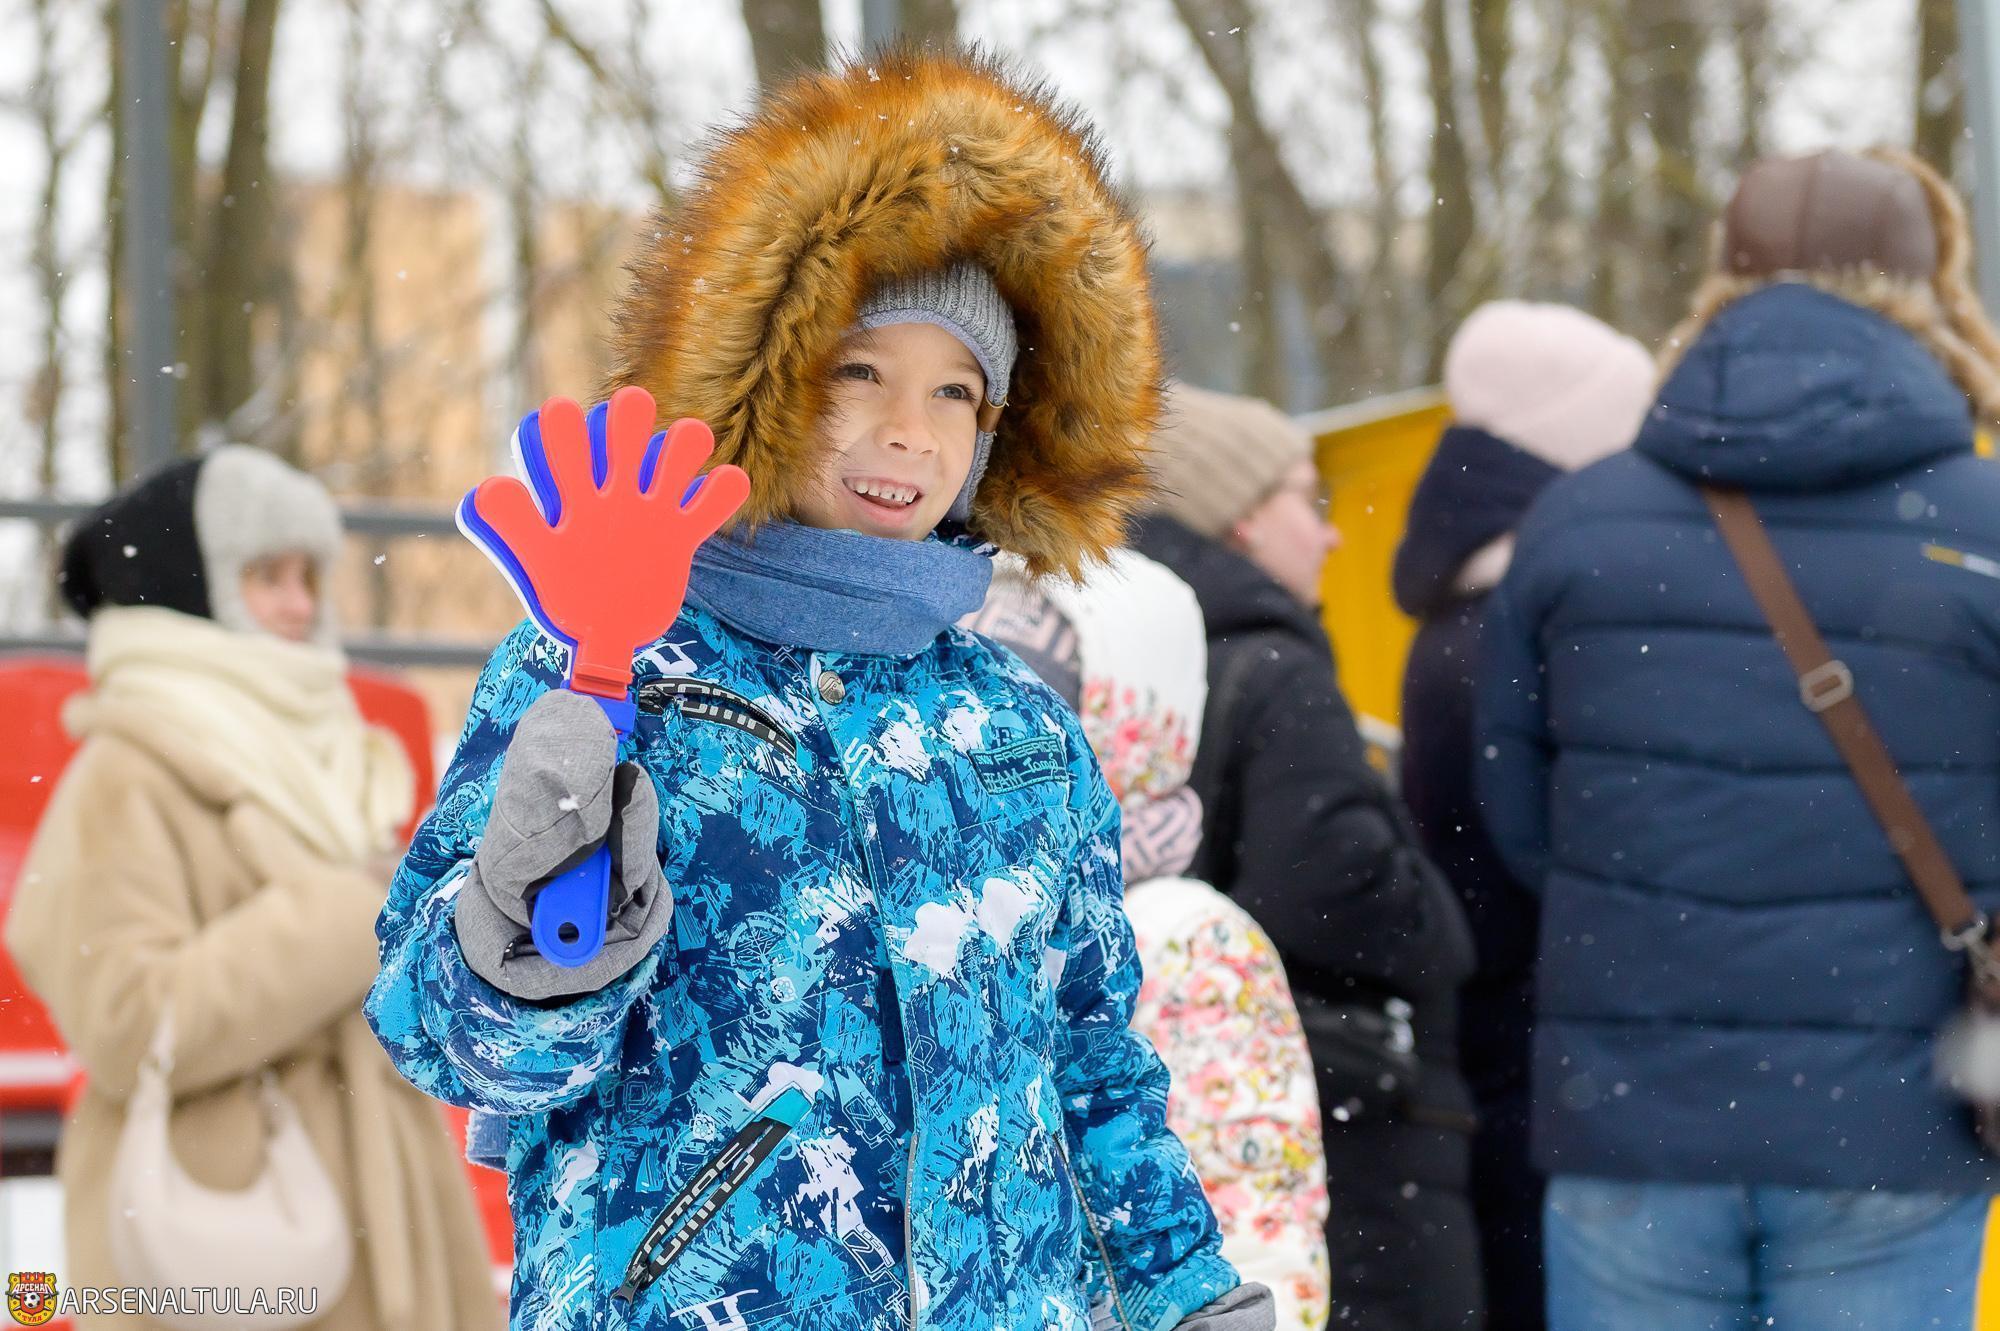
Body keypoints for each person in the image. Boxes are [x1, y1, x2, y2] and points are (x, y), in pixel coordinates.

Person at [363, 49, 1266, 1331]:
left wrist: (1184, 1288)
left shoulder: (1016, 727)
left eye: (955, 392)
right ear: (770, 383)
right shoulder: (611, 667)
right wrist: (524, 928)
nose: (909, 430)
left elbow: (1092, 1058)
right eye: (860, 373)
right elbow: (453, 1046)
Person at [1476, 148, 2000, 1329]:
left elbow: (1514, 819)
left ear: (1719, 283)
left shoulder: (1575, 523)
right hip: (1893, 1119)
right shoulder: (1981, 525)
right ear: (1925, 292)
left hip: (1632, 1114)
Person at [6, 447, 500, 1329]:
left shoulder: (324, 756)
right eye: (268, 576)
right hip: (227, 1227)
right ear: (191, 589)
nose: (302, 605)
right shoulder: (125, 775)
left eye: (309, 575)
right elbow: (128, 1024)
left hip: (379, 1199)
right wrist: (351, 911)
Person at [1131, 382, 1481, 1331]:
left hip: (1180, 1113)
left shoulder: (1128, 654)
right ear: (1241, 517)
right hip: (1339, 1114)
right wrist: (1444, 931)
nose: (1329, 534)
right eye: (1304, 496)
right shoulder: (1275, 666)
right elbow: (1333, 881)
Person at [966, 550, 1333, 1329]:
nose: (984, 738)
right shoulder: (966, 913)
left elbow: (1261, 1222)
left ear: (1120, 720)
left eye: (1031, 699)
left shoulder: (1182, 932)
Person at [1392, 301, 1655, 1331]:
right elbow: (1524, 865)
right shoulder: (1514, 632)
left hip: (1508, 1059)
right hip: (1539, 1068)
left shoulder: (1471, 615)